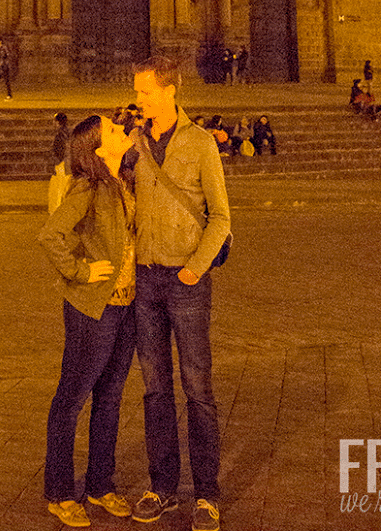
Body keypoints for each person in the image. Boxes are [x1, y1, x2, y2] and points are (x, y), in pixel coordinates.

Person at [130, 55, 229, 530]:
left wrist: (194, 269)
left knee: (198, 389)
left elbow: (221, 217)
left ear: (171, 90)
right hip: (145, 282)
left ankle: (207, 493)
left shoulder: (200, 143)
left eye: (146, 91)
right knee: (154, 390)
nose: (139, 99)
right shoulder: (135, 142)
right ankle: (163, 486)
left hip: (186, 283)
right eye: (137, 91)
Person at [38, 113, 137, 527]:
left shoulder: (123, 183)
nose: (122, 128)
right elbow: (50, 235)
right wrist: (80, 272)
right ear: (98, 148)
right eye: (113, 130)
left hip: (125, 305)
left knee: (110, 398)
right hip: (91, 308)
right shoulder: (88, 187)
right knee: (72, 398)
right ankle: (59, 492)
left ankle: (100, 484)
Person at [48, 112, 72, 214]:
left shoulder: (60, 134)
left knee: (59, 188)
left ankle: (58, 210)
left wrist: (57, 162)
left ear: (57, 122)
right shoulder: (70, 132)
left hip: (62, 164)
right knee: (66, 187)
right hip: (70, 163)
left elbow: (58, 150)